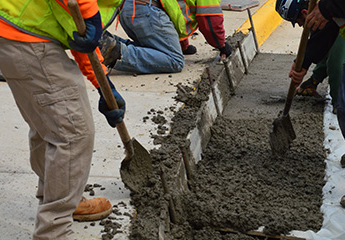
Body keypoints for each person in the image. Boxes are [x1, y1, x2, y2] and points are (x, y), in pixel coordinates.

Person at [0, 0, 126, 239]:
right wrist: (89, 14)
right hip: (27, 37)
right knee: (72, 134)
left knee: (48, 126)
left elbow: (76, 30)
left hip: (16, 29)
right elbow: (79, 13)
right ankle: (54, 231)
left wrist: (103, 85)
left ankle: (62, 199)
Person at [277, 0, 345, 209]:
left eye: (301, 21)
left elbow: (331, 16)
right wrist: (304, 63)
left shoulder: (328, 5)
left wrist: (327, 7)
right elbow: (328, 30)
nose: (303, 25)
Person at [99, 0, 232, 74]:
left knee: (151, 50)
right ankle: (115, 52)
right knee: (175, 61)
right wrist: (221, 45)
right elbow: (210, 20)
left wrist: (182, 46)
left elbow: (177, 11)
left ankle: (106, 43)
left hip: (128, 10)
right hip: (148, 11)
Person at [275, 0, 345, 112]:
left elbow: (336, 63)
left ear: (305, 13)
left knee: (337, 56)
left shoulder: (335, 9)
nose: (301, 26)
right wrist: (313, 76)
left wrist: (339, 106)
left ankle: (343, 105)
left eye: (300, 22)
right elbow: (323, 43)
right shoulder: (327, 10)